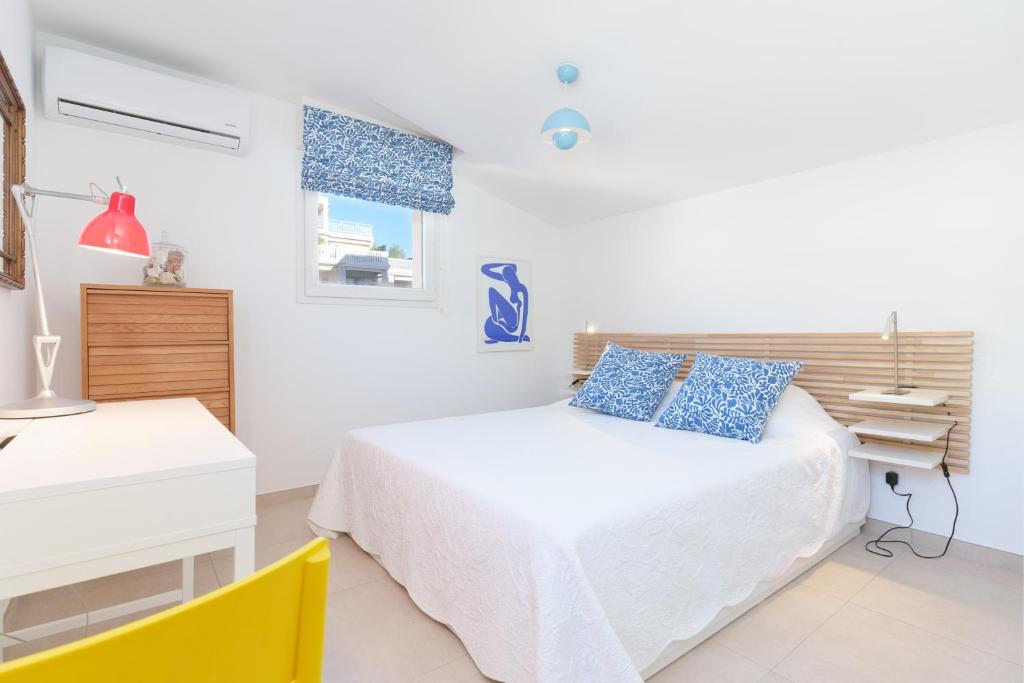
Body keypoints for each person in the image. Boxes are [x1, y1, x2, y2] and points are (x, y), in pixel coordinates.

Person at [481, 262, 529, 344]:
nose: (507, 280)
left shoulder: (521, 289)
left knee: (492, 291)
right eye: (505, 278)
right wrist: (505, 263)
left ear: (514, 276)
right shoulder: (507, 281)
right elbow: (484, 269)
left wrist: (521, 336)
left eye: (510, 278)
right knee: (489, 324)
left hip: (514, 323)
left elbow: (525, 314)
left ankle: (497, 322)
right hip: (508, 319)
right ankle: (497, 328)